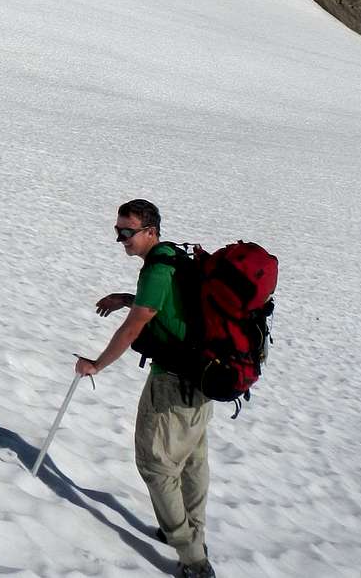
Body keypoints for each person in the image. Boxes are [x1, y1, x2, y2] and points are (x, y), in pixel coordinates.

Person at [74, 200, 215, 578]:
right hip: (202, 377)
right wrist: (125, 298)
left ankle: (193, 559)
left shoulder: (156, 269)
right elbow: (168, 306)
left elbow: (135, 327)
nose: (120, 239)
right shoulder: (174, 258)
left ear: (150, 231)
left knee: (155, 465)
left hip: (172, 382)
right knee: (191, 460)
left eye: (127, 232)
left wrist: (96, 365)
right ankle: (190, 535)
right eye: (117, 231)